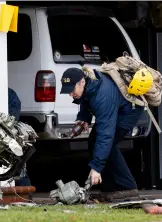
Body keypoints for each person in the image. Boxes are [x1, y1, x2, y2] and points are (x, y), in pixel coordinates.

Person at [60, 67, 144, 202]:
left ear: (82, 82)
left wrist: (96, 168)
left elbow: (106, 136)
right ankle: (109, 189)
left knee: (106, 143)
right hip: (116, 105)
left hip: (128, 111)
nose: (70, 94)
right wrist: (84, 117)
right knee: (95, 141)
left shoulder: (103, 97)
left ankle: (128, 188)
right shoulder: (90, 83)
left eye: (72, 90)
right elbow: (86, 98)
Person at [8, 87, 32, 187]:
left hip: (9, 136)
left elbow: (13, 120)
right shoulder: (10, 94)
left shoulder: (10, 94)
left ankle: (25, 194)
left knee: (18, 166)